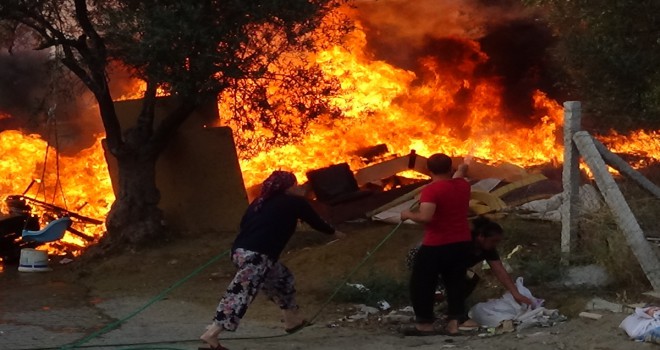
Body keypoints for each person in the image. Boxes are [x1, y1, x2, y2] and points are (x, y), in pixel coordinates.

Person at [200, 170, 346, 350]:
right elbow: (315, 221)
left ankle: (292, 320)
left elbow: (244, 225)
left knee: (283, 279)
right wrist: (336, 233)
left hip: (241, 252)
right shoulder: (294, 203)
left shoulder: (258, 203)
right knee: (241, 293)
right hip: (257, 256)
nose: (298, 186)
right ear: (287, 187)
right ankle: (212, 335)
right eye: (294, 183)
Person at [406, 217, 534, 325]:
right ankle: (437, 316)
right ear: (481, 237)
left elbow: (499, 270)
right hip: (427, 257)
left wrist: (516, 294)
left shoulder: (487, 249)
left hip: (450, 265)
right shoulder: (463, 242)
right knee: (441, 286)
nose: (495, 245)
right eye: (493, 241)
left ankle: (449, 312)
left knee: (471, 279)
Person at [400, 153, 474, 336]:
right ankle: (454, 323)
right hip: (461, 242)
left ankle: (424, 324)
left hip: (437, 244)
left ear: (428, 170)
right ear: (450, 168)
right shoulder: (463, 185)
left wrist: (407, 214)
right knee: (455, 283)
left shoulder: (431, 190)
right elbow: (459, 176)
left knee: (422, 283)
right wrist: (464, 166)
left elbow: (426, 217)